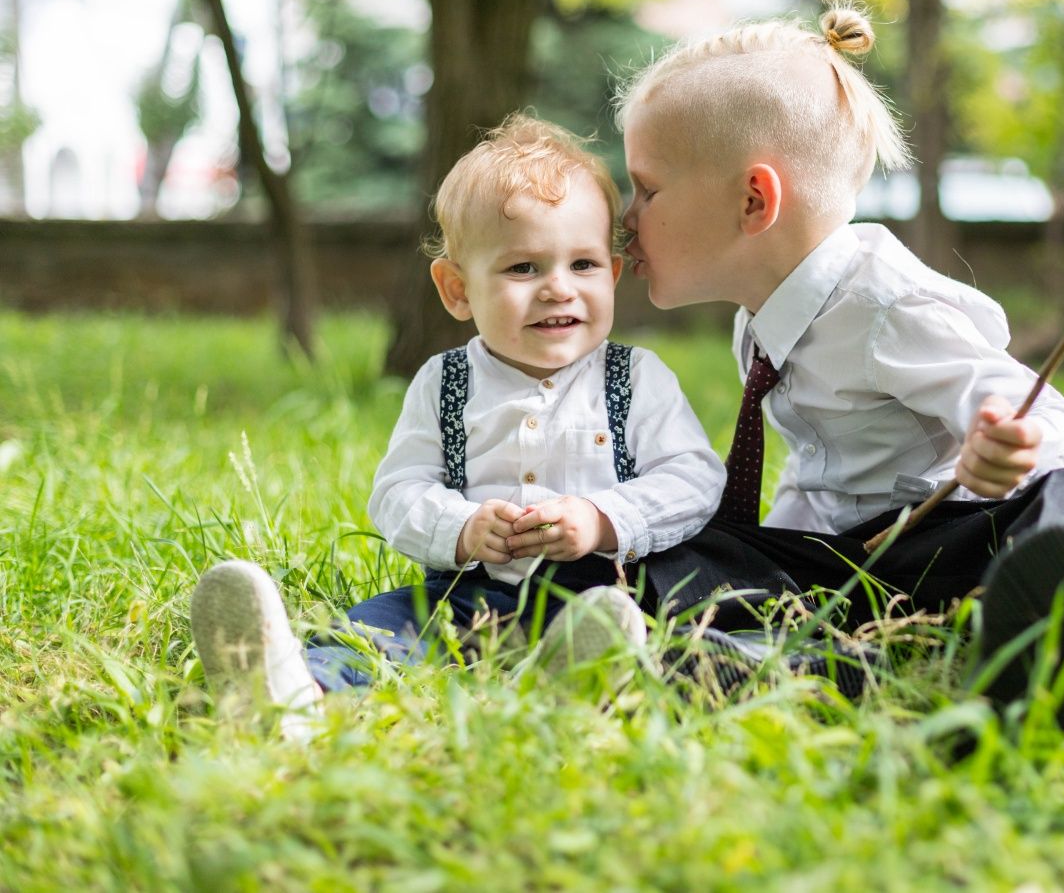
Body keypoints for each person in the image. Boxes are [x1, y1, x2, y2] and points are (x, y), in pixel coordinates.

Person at [615, 4, 1064, 730]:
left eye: (646, 189)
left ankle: (1047, 620)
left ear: (753, 201)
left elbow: (1048, 416)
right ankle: (799, 660)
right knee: (662, 538)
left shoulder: (881, 304)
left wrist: (1006, 446)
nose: (625, 216)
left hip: (951, 552)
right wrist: (752, 560)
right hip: (853, 570)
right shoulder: (761, 319)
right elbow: (817, 477)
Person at [190, 115, 727, 731]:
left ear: (613, 272)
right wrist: (464, 526)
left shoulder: (636, 378)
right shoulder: (445, 382)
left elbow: (694, 478)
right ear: (456, 290)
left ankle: (576, 679)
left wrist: (603, 519)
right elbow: (398, 492)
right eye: (523, 268)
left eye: (582, 265)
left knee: (612, 622)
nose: (558, 289)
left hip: (600, 591)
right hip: (468, 591)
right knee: (383, 624)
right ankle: (292, 692)